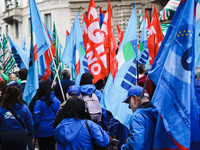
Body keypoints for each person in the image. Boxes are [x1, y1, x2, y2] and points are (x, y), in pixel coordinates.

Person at [121, 86, 158, 150]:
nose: (129, 106)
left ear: (134, 98)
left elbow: (136, 145)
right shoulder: (159, 112)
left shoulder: (137, 116)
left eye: (129, 102)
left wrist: (124, 148)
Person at [33, 81, 60, 150]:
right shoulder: (57, 101)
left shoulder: (39, 102)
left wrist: (34, 129)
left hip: (41, 130)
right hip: (53, 130)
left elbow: (36, 118)